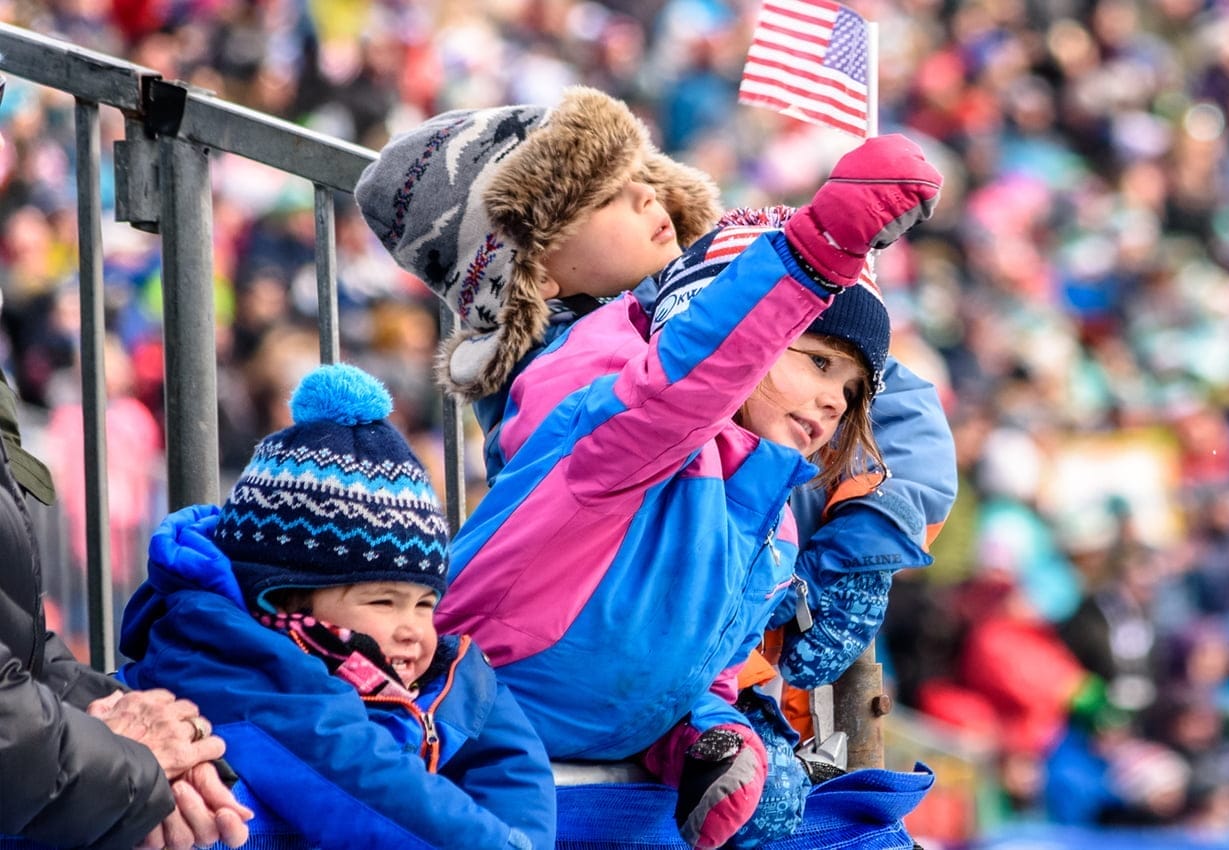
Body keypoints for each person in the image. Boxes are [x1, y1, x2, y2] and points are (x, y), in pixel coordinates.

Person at [351, 86, 941, 849]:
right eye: (614, 196)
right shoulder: (609, 395)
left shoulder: (760, 496)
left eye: (649, 179)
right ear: (535, 268)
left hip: (606, 726)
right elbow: (679, 391)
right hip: (472, 721)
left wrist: (719, 736)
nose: (652, 197)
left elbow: (701, 653)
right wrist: (820, 246)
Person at [115, 364, 556, 849]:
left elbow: (508, 759)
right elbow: (362, 782)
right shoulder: (235, 668)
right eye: (384, 601)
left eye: (425, 604)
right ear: (282, 602)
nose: (414, 629)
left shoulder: (418, 672)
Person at [0, 369, 253, 850]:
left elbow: (21, 653)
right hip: (96, 547)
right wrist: (133, 761)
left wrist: (156, 746)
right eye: (383, 600)